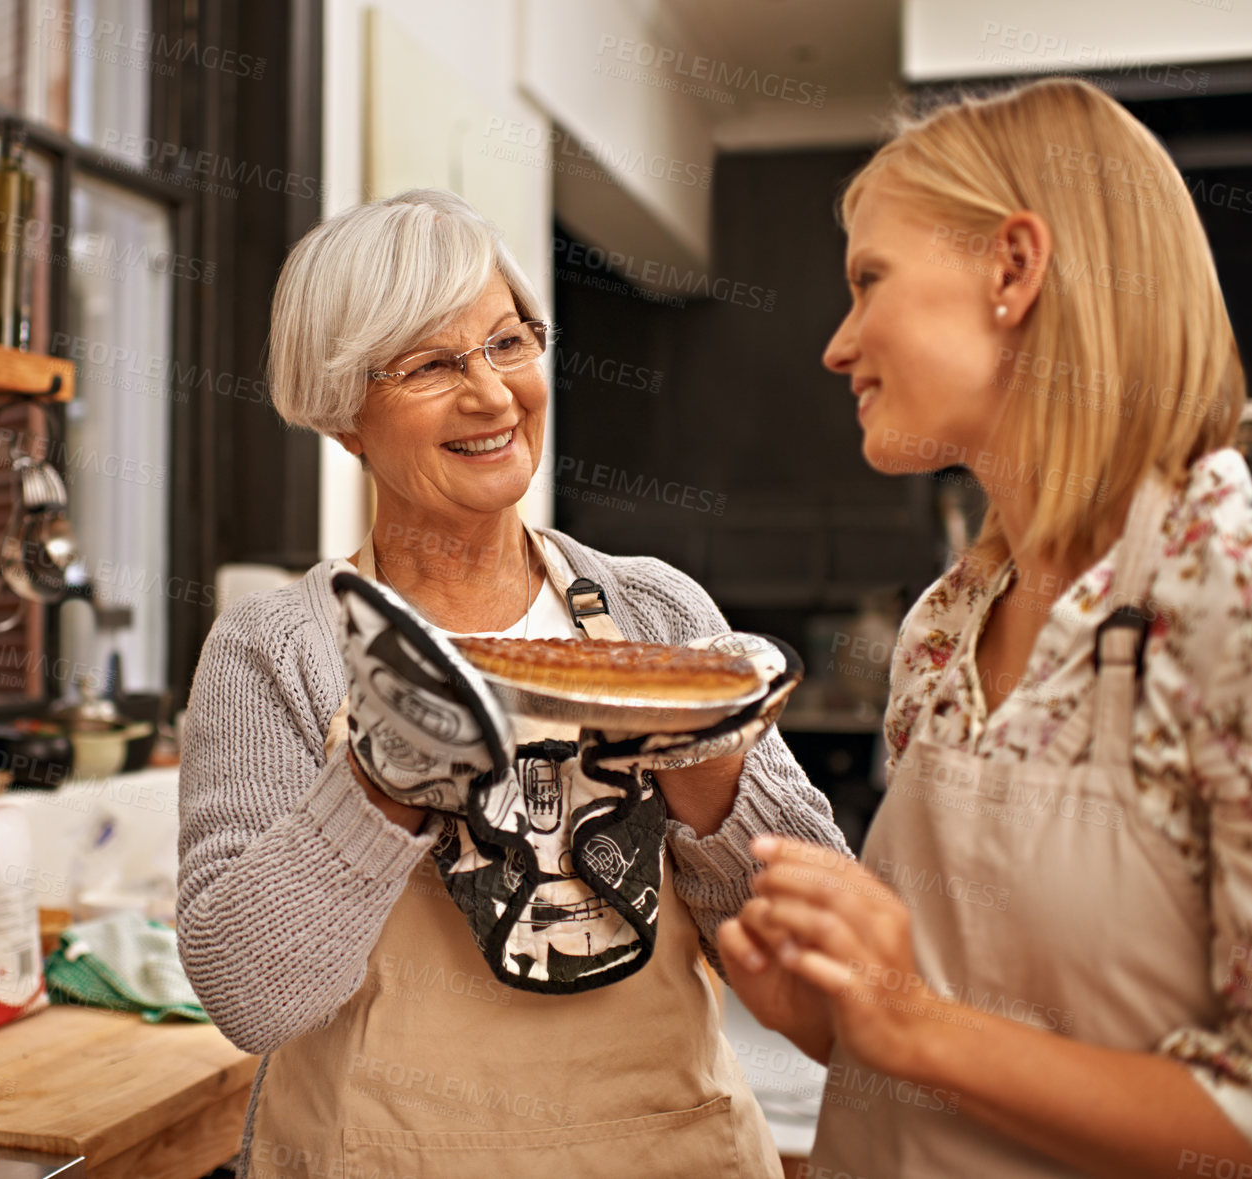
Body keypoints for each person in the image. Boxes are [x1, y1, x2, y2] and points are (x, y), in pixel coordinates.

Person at [718, 76, 1252, 1178]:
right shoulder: (942, 630)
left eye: (868, 281)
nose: (836, 344)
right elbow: (933, 1050)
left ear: (1012, 268)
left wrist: (907, 1019)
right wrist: (827, 1012)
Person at [177, 188, 849, 1178]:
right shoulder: (280, 647)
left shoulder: (654, 611)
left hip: (669, 1155)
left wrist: (704, 760)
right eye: (431, 365)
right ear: (342, 415)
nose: (491, 395)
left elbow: (820, 959)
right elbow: (247, 993)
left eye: (507, 343)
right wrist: (381, 784)